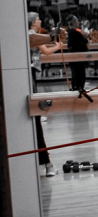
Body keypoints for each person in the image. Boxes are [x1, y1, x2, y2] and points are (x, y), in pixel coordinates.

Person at [26, 13, 61, 177]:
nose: (40, 21)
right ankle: (46, 163)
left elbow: (44, 50)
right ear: (33, 22)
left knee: (36, 119)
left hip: (31, 75)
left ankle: (45, 163)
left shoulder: (34, 35)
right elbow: (45, 50)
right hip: (29, 75)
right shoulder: (31, 35)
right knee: (35, 118)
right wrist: (55, 39)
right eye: (38, 19)